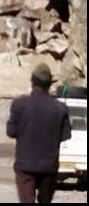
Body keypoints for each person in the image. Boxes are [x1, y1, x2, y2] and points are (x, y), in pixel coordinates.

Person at [7, 63, 72, 203]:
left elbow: (11, 132)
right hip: (49, 166)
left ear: (32, 81)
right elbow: (66, 135)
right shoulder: (60, 108)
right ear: (49, 85)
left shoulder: (19, 104)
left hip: (25, 166)